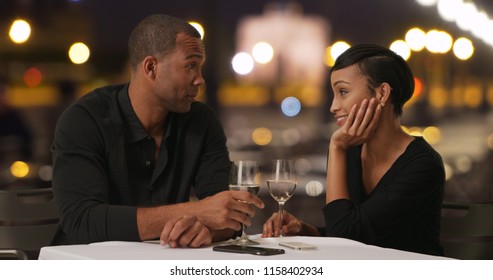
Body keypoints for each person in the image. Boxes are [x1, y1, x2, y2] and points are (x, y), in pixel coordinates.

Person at [51, 14, 264, 248]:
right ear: (151, 67)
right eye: (191, 65)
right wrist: (199, 212)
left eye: (200, 67)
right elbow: (81, 222)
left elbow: (225, 213)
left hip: (165, 264)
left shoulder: (201, 121)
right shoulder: (85, 120)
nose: (200, 79)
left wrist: (208, 232)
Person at [262, 44, 445, 256]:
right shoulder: (350, 150)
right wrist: (305, 230)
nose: (333, 106)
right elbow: (351, 229)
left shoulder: (422, 165)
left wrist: (337, 147)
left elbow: (347, 239)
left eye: (343, 92)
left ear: (382, 93)